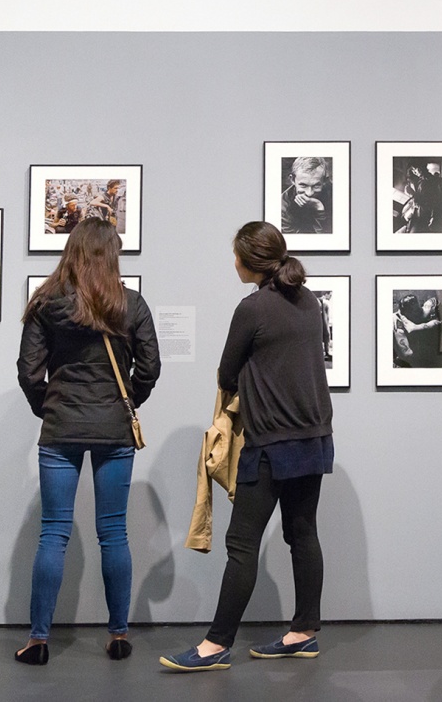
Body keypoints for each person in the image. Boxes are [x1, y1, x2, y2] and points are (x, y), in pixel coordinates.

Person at [161, 221, 334, 672]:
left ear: (249, 261)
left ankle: (216, 645)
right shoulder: (310, 301)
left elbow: (225, 373)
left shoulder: (253, 308)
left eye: (235, 255)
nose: (232, 263)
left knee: (241, 544)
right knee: (303, 534)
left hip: (272, 441)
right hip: (314, 436)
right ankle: (304, 632)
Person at [14, 218, 161, 666]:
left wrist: (49, 406)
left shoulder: (45, 303)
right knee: (113, 532)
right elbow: (150, 368)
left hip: (60, 429)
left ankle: (39, 641)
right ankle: (118, 636)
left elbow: (27, 370)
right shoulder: (131, 304)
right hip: (113, 429)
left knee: (53, 533)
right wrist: (124, 402)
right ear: (111, 253)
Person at [281, 157, 333, 234]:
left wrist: (319, 209)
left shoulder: (336, 196)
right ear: (292, 180)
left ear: (324, 181)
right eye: (303, 185)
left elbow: (331, 240)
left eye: (316, 186)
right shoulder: (283, 206)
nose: (309, 193)